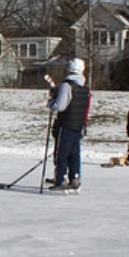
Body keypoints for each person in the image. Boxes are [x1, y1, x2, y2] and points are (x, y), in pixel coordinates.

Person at [48, 57, 90, 191]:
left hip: (65, 123)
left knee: (62, 153)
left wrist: (51, 103)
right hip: (78, 125)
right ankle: (75, 178)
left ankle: (60, 179)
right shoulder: (85, 88)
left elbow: (60, 106)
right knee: (74, 153)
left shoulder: (67, 85)